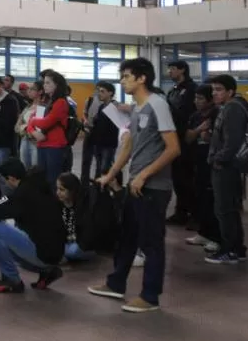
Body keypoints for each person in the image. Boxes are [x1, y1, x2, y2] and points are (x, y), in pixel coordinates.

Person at [89, 58, 180, 313]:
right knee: (127, 237)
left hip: (153, 188)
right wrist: (111, 174)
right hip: (136, 184)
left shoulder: (157, 105)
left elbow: (173, 148)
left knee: (151, 243)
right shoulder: (138, 108)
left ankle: (150, 296)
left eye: (127, 76)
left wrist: (144, 175)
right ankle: (116, 283)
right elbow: (129, 143)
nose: (122, 80)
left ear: (142, 78)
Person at [0, 159, 65, 293]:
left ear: (11, 178)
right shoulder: (41, 187)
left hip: (42, 254)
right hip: (55, 254)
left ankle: (11, 279)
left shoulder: (22, 193)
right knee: (12, 229)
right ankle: (47, 271)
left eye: (5, 180)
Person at [205, 74, 248, 265]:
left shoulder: (233, 108)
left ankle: (230, 250)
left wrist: (218, 159)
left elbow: (232, 142)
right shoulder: (232, 106)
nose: (214, 94)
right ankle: (237, 248)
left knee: (224, 210)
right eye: (213, 90)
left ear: (230, 91)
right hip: (229, 165)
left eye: (219, 90)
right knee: (230, 209)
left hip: (226, 167)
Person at [181, 85, 221, 252]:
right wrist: (199, 130)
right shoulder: (195, 116)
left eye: (201, 99)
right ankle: (203, 232)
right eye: (196, 98)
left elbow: (220, 139)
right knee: (200, 199)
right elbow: (188, 137)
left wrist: (209, 136)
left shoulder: (218, 114)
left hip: (212, 163)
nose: (197, 102)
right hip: (196, 161)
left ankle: (216, 237)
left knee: (213, 201)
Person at [165, 60, 197, 226]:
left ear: (182, 70)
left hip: (188, 140)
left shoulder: (192, 89)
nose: (170, 72)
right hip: (173, 139)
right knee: (177, 178)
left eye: (173, 69)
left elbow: (191, 114)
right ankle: (181, 212)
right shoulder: (172, 91)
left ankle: (194, 214)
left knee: (188, 178)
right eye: (169, 69)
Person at [27, 71, 70, 185]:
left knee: (53, 180)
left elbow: (46, 123)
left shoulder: (61, 102)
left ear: (57, 85)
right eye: (44, 83)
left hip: (54, 146)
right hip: (42, 144)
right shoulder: (46, 102)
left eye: (48, 83)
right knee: (43, 180)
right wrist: (32, 129)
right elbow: (30, 120)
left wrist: (32, 122)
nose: (44, 85)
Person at [84, 82, 120, 184]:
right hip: (99, 143)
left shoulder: (114, 106)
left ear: (110, 93)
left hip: (109, 144)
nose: (99, 94)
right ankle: (99, 188)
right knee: (100, 167)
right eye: (99, 91)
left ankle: (109, 188)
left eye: (102, 91)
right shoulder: (101, 107)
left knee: (105, 168)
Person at [56, 173, 93, 262]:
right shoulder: (57, 205)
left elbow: (87, 238)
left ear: (72, 191)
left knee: (74, 251)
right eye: (57, 188)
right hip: (64, 244)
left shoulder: (83, 207)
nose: (58, 192)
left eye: (62, 189)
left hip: (80, 246)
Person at [15, 81, 42, 168]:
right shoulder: (28, 107)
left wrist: (25, 127)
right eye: (29, 89)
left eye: (32, 89)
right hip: (24, 140)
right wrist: (26, 128)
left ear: (40, 92)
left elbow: (38, 128)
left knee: (35, 169)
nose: (29, 91)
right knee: (24, 168)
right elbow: (17, 127)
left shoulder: (43, 107)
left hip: (35, 143)